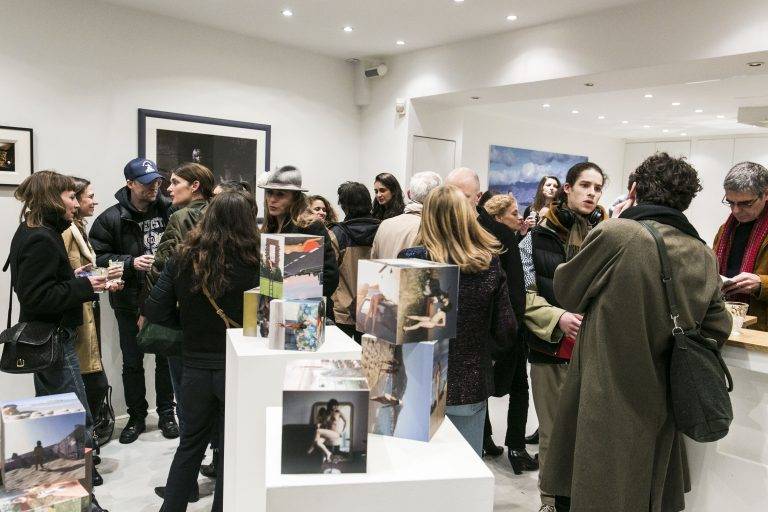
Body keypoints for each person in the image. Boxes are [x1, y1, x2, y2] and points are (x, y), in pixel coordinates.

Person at [541, 153, 733, 512]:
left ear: (633, 190)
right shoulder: (702, 254)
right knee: (645, 493)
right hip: (662, 398)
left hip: (603, 394)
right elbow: (719, 325)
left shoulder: (618, 233)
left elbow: (567, 291)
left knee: (593, 489)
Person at [145, 191, 261, 512]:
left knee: (189, 446)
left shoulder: (183, 258)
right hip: (238, 368)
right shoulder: (258, 262)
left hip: (194, 366)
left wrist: (187, 328)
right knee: (230, 450)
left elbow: (156, 309)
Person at [8, 171, 109, 511]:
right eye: (70, 197)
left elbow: (43, 284)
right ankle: (83, 505)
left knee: (58, 422)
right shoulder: (41, 238)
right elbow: (37, 297)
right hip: (54, 339)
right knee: (73, 425)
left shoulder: (36, 231)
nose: (76, 203)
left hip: (48, 340)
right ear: (54, 198)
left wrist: (75, 278)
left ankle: (62, 501)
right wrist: (85, 287)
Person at [399, 185, 516, 456]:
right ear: (467, 216)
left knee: (421, 470)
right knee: (465, 471)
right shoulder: (489, 263)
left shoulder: (412, 260)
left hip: (420, 381)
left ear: (428, 217)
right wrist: (486, 354)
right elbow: (506, 328)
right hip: (470, 382)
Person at [518, 162, 607, 512]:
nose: (591, 193)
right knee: (554, 435)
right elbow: (524, 294)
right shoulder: (536, 237)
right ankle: (551, 502)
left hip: (597, 353)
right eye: (584, 185)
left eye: (597, 187)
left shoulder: (606, 234)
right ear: (566, 188)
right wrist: (559, 318)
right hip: (552, 350)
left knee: (591, 436)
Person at [446, 168, 533, 469]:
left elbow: (515, 297)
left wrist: (495, 350)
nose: (455, 202)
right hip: (452, 370)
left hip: (477, 359)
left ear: (478, 198)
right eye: (450, 194)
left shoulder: (495, 238)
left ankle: (516, 447)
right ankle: (490, 441)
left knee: (517, 388)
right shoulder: (426, 248)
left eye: (463, 196)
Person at [90, 157, 178, 444]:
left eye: (157, 181)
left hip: (165, 299)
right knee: (132, 362)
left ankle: (167, 413)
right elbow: (97, 257)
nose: (154, 187)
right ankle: (137, 417)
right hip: (129, 302)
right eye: (146, 183)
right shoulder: (110, 218)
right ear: (130, 183)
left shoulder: (170, 209)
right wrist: (130, 262)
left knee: (166, 359)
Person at [150, 163, 216, 482]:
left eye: (175, 183)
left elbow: (164, 264)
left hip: (184, 318)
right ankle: (217, 465)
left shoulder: (179, 218)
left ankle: (186, 483)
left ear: (194, 187)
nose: (168, 188)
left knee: (187, 403)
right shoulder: (221, 215)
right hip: (217, 322)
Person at [63, 177, 124, 485]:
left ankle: (89, 452)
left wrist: (104, 277)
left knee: (91, 384)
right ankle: (84, 459)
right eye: (87, 196)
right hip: (74, 320)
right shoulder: (65, 232)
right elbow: (68, 274)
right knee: (80, 390)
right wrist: (100, 276)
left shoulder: (80, 230)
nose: (91, 201)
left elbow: (80, 272)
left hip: (86, 313)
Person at [259, 165, 339, 299]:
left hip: (304, 309)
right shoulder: (269, 228)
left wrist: (299, 297)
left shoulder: (309, 227)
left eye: (280, 194)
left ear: (295, 198)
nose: (272, 199)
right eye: (269, 192)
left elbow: (330, 276)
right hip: (274, 306)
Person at [714, 161, 768, 331]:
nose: (736, 210)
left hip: (760, 330)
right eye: (730, 202)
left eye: (745, 203)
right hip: (725, 323)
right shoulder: (725, 229)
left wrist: (761, 284)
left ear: (765, 194)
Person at [329, 182, 380, 341]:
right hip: (373, 308)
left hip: (343, 309)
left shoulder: (337, 234)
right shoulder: (382, 229)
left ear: (344, 206)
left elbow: (330, 272)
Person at [371, 171, 442, 259]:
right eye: (376, 191)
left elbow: (374, 257)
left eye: (382, 190)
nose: (378, 195)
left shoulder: (385, 223)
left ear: (409, 194)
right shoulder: (429, 227)